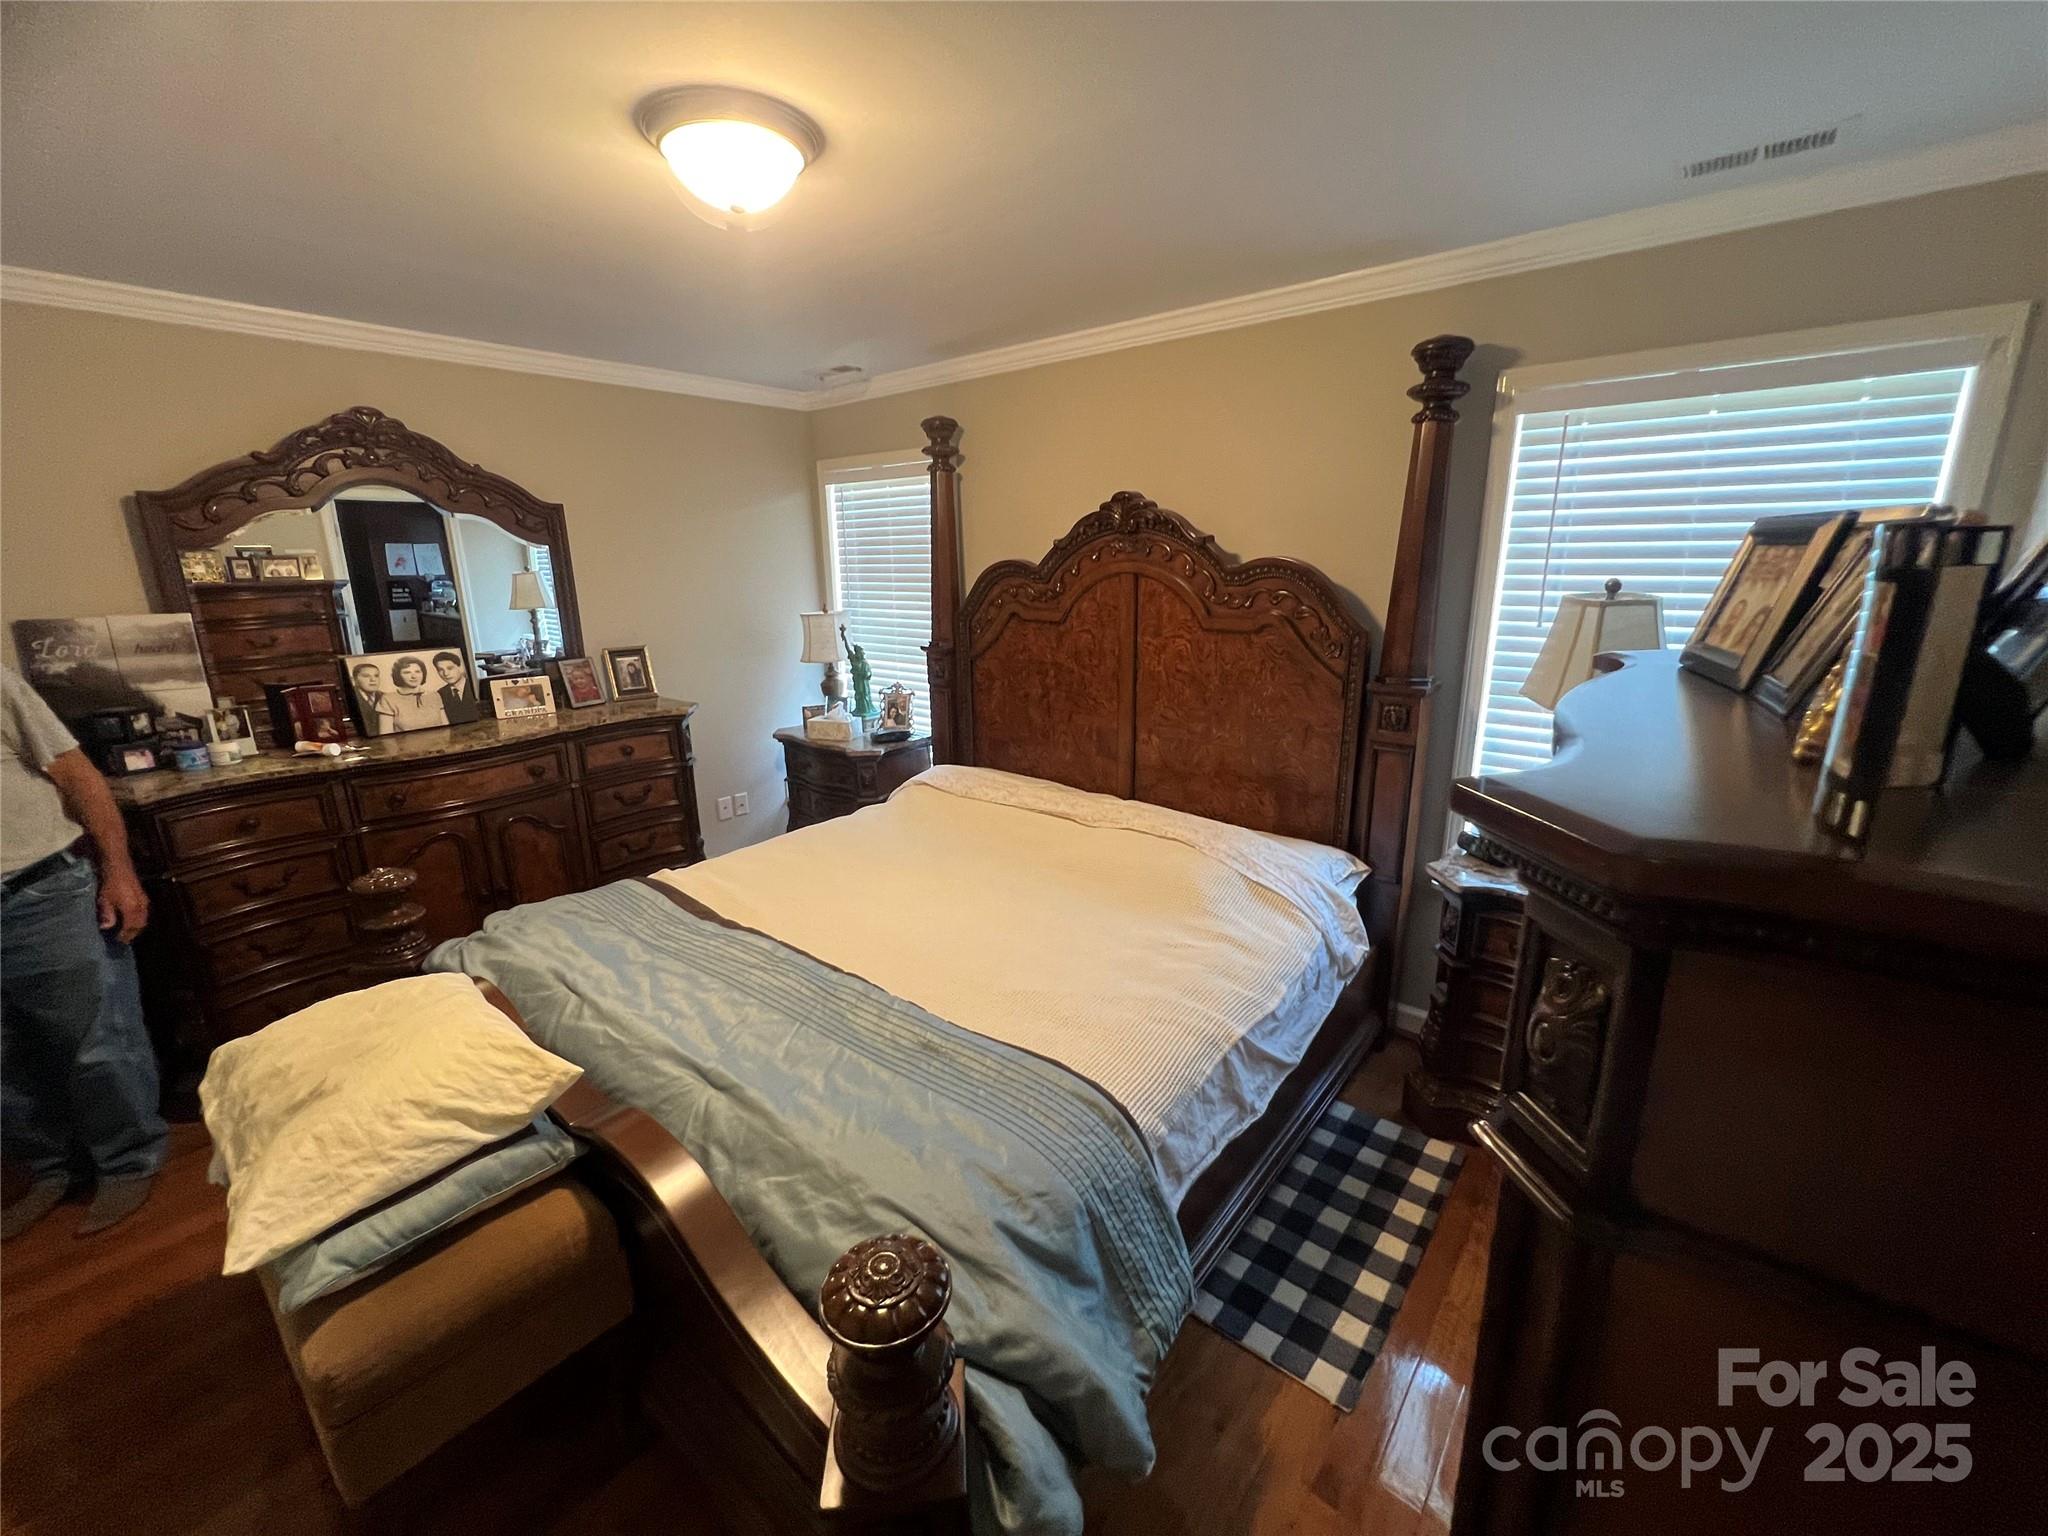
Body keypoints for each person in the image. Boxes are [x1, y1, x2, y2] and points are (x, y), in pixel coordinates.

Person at [1, 666, 167, 1239]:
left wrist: (118, 871)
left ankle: (128, 1162)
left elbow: (80, 776)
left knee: (96, 1038)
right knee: (5, 1060)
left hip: (38, 890)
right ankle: (52, 1171)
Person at [387, 656, 448, 731]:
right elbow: (385, 736)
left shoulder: (434, 695)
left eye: (417, 671)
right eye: (407, 672)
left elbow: (446, 727)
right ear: (398, 675)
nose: (414, 676)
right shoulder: (388, 699)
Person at [351, 661, 396, 737]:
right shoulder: (351, 697)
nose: (373, 679)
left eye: (376, 676)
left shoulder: (385, 697)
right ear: (354, 679)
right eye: (366, 676)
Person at [432, 651, 480, 724]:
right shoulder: (440, 693)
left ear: (460, 667)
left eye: (450, 668)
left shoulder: (475, 686)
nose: (446, 673)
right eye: (440, 670)